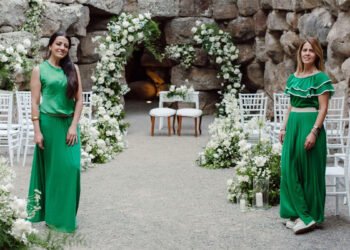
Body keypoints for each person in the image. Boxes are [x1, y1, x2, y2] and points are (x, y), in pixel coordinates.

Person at [27, 31, 83, 233]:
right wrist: (37, 131)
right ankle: (52, 217)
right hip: (48, 125)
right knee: (51, 173)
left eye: (66, 45)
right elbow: (34, 102)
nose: (62, 48)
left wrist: (73, 126)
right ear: (50, 46)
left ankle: (65, 216)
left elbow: (79, 101)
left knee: (72, 167)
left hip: (68, 126)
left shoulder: (72, 69)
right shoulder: (39, 70)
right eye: (58, 43)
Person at [279, 37, 334, 234]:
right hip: (293, 125)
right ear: (300, 53)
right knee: (288, 169)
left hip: (310, 126)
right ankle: (296, 213)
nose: (307, 53)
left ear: (317, 53)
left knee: (309, 172)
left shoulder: (320, 78)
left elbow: (323, 108)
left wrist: (314, 132)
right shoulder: (293, 77)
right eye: (304, 50)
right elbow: (290, 105)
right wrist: (283, 128)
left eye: (311, 50)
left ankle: (309, 217)